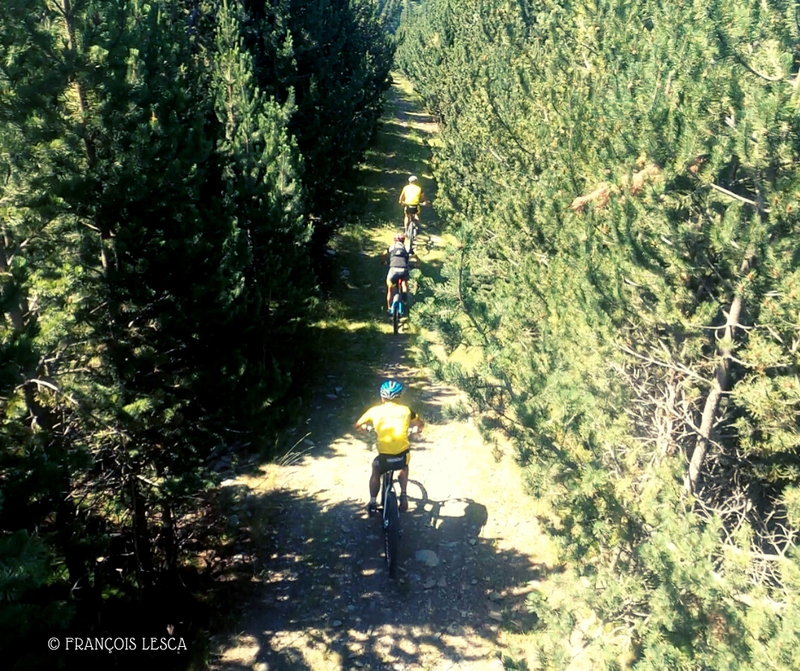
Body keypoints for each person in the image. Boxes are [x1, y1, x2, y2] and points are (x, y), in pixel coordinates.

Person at [354, 380, 424, 516]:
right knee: (404, 466)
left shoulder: (374, 411)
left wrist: (366, 428)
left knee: (376, 470)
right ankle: (403, 496)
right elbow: (420, 424)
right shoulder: (407, 410)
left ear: (382, 397)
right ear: (399, 397)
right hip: (401, 455)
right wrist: (416, 429)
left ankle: (373, 503)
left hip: (384, 457)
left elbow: (357, 425)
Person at [382, 233, 412, 313]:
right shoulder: (407, 247)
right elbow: (415, 257)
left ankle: (389, 307)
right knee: (404, 282)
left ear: (394, 240)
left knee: (390, 289)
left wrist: (383, 261)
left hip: (393, 270)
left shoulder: (391, 247)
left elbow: (384, 254)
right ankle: (405, 296)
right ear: (403, 240)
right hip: (403, 269)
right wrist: (418, 264)